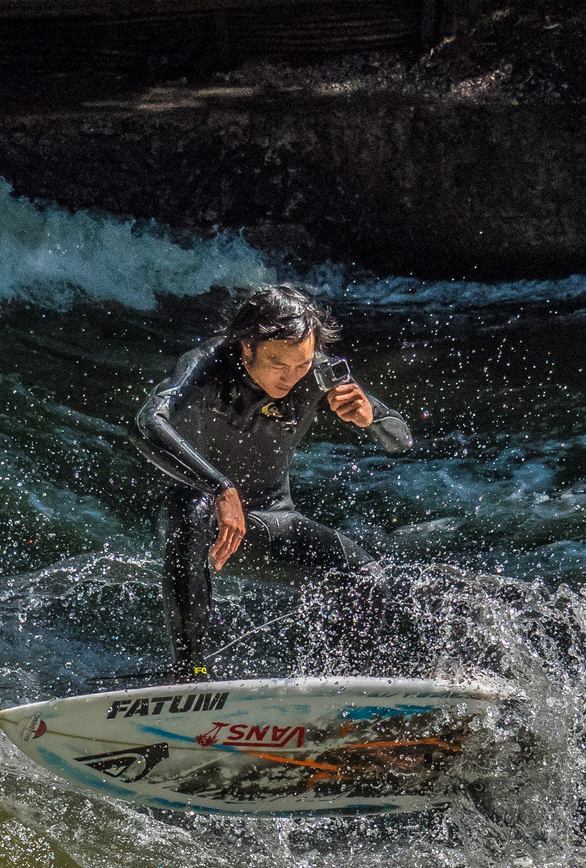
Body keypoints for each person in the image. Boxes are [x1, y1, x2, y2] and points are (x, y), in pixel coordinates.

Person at [135, 284, 414, 682]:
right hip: (202, 522)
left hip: (271, 520)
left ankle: (347, 686)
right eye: (278, 364)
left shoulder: (317, 372)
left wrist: (371, 418)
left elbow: (401, 440)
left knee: (364, 575)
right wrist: (219, 487)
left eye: (300, 365)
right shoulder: (207, 364)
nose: (291, 377)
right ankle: (188, 673)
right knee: (189, 504)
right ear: (246, 346)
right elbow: (147, 424)